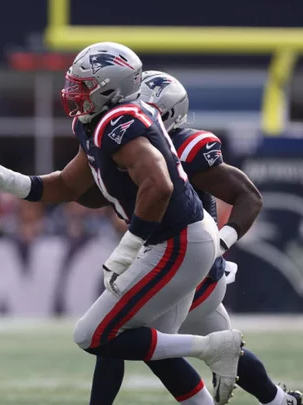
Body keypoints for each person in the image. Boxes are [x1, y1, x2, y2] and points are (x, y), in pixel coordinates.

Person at [0, 42, 242, 405]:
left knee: (93, 334)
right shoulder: (98, 122)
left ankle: (213, 346)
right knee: (149, 343)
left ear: (110, 89)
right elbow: (68, 184)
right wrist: (10, 181)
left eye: (81, 86)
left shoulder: (118, 121)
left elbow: (158, 184)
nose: (70, 93)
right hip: (178, 237)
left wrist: (128, 248)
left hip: (178, 239)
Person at [79, 70, 302, 405]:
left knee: (119, 330)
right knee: (220, 346)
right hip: (174, 259)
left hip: (188, 265)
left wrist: (221, 244)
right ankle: (279, 401)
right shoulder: (129, 146)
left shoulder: (185, 147)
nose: (132, 116)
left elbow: (249, 197)